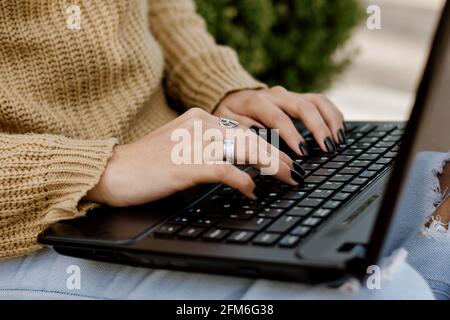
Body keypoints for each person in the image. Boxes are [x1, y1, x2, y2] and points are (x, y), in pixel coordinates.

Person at [0, 0, 447, 299]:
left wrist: (218, 89)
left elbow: (159, 10)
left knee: (437, 187)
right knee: (382, 291)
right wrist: (104, 169)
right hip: (31, 228)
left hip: (169, 177)